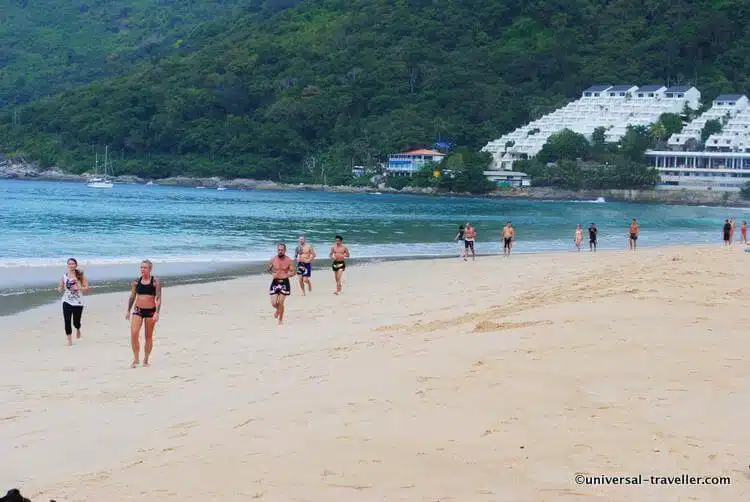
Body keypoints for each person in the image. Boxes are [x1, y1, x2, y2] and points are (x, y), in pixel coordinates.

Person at [126, 260, 162, 368]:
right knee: (134, 333)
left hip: (150, 311)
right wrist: (128, 310)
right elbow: (132, 296)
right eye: (141, 267)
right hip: (138, 310)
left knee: (148, 336)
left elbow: (158, 298)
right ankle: (136, 359)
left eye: (145, 268)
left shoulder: (155, 281)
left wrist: (157, 313)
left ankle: (145, 360)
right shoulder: (136, 282)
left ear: (150, 269)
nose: (142, 269)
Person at [58, 257, 89, 346]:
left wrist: (78, 287)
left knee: (76, 322)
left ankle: (78, 329)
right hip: (66, 301)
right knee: (67, 321)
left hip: (78, 302)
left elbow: (86, 287)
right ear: (67, 265)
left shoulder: (80, 276)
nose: (71, 265)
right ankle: (69, 341)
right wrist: (60, 288)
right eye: (69, 264)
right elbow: (60, 286)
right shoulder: (64, 276)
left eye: (73, 263)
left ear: (76, 265)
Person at [268, 243, 296, 325]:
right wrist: (272, 273)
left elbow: (294, 272)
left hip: (284, 283)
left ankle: (280, 319)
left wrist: (287, 275)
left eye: (282, 250)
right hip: (275, 282)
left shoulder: (288, 260)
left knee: (280, 302)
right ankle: (278, 309)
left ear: (285, 250)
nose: (280, 251)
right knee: (273, 303)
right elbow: (269, 269)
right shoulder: (273, 259)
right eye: (279, 250)